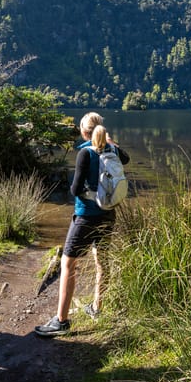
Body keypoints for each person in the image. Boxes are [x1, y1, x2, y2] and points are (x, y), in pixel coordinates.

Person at [35, 112, 129, 337]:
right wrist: (109, 142)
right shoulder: (113, 150)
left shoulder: (84, 153)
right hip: (108, 214)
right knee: (102, 262)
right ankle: (97, 307)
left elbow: (75, 190)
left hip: (86, 215)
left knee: (68, 263)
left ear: (83, 131)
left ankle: (61, 321)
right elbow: (125, 159)